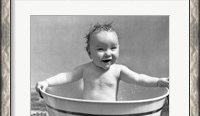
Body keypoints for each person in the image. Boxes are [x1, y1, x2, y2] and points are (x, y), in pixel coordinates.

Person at [36, 23, 169, 101]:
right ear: (89, 53)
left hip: (110, 114)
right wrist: (46, 82)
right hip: (86, 112)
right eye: (100, 49)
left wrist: (158, 82)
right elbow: (66, 76)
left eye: (113, 48)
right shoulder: (85, 69)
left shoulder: (119, 70)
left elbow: (139, 78)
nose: (108, 53)